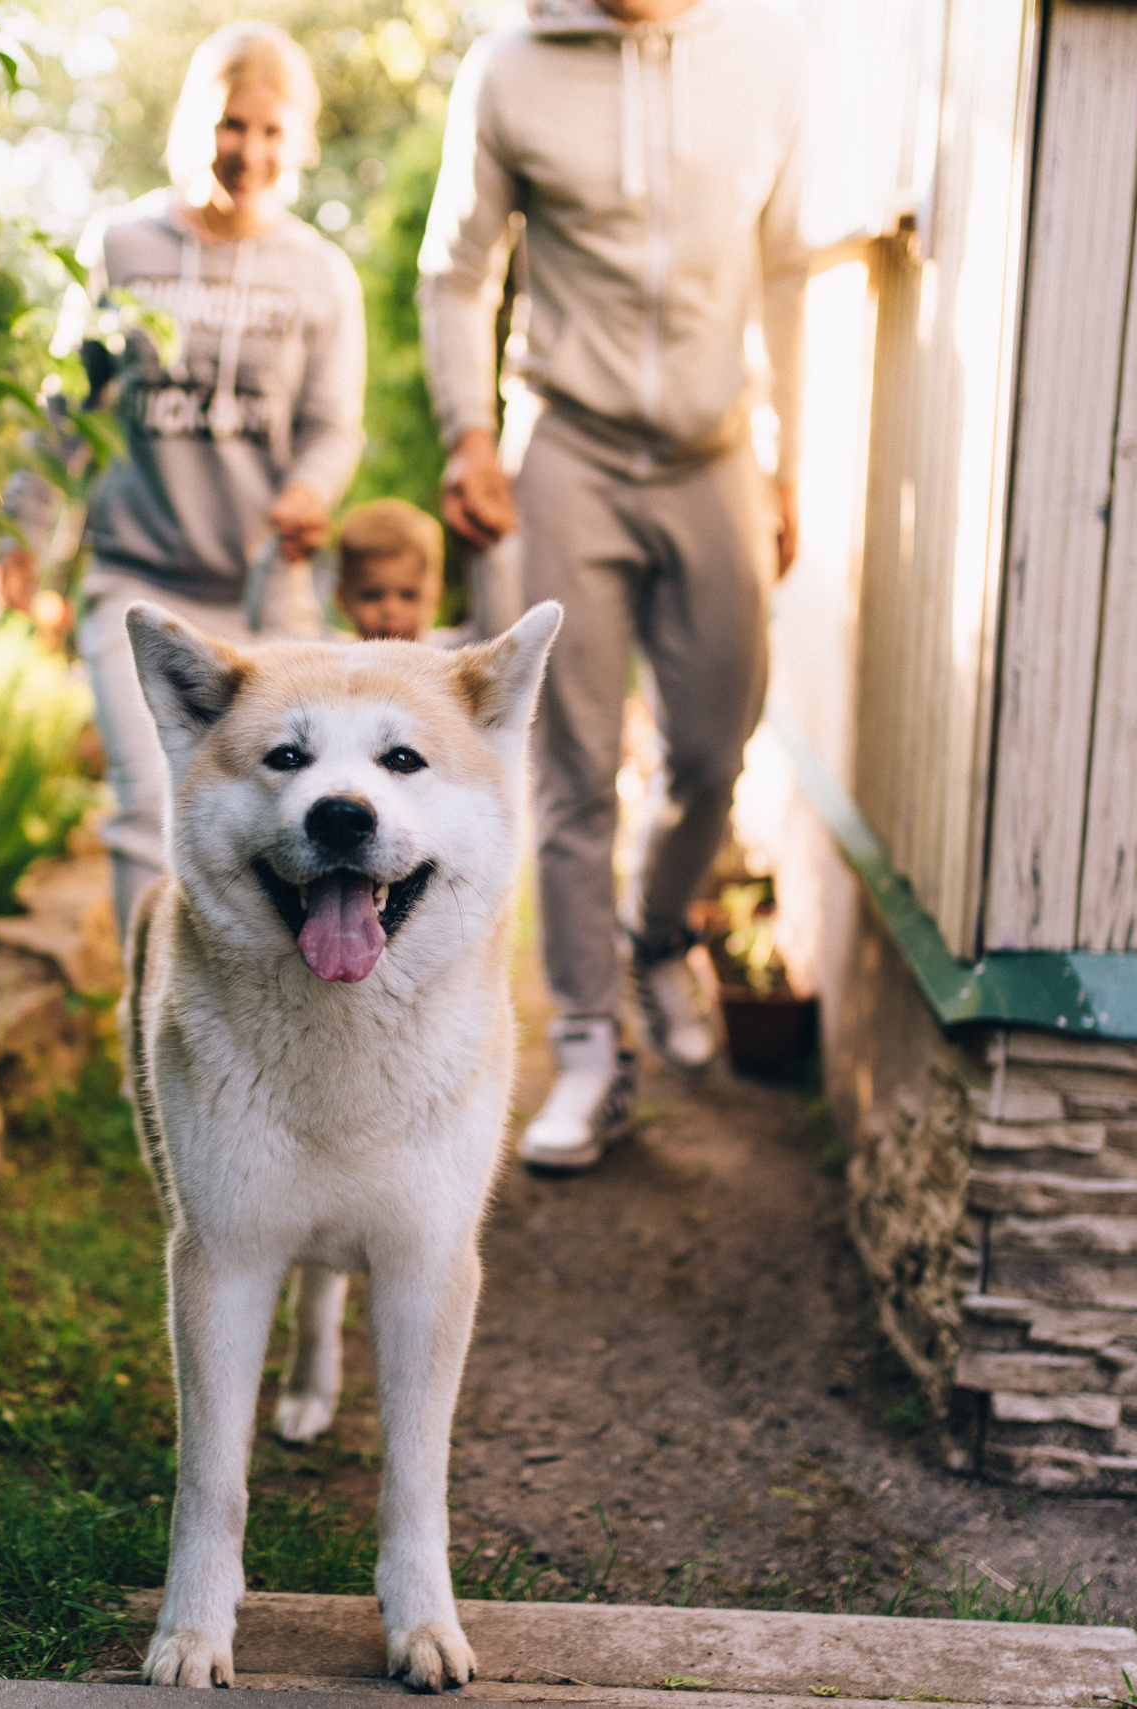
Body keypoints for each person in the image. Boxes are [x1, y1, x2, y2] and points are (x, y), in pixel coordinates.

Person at [417, 0, 808, 1171]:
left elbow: (785, 271)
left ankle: (657, 934)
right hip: (567, 445)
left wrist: (792, 454)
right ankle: (590, 1045)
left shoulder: (765, 59)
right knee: (572, 766)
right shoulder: (509, 72)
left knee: (710, 750)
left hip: (716, 451)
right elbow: (457, 271)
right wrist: (466, 433)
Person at [75, 20, 367, 933]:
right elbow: (67, 408)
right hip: (137, 580)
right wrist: (17, 531)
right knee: (146, 805)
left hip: (264, 602)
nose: (250, 150)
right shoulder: (123, 245)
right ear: (195, 121)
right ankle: (145, 1048)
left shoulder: (321, 275)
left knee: (277, 817)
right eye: (233, 124)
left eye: (273, 131)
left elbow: (331, 428)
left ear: (298, 143)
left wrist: (312, 487)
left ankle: (248, 1038)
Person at [332, 497, 447, 642]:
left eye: (408, 595)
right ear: (342, 600)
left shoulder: (449, 654)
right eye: (372, 595)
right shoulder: (335, 656)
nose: (391, 610)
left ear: (435, 597)